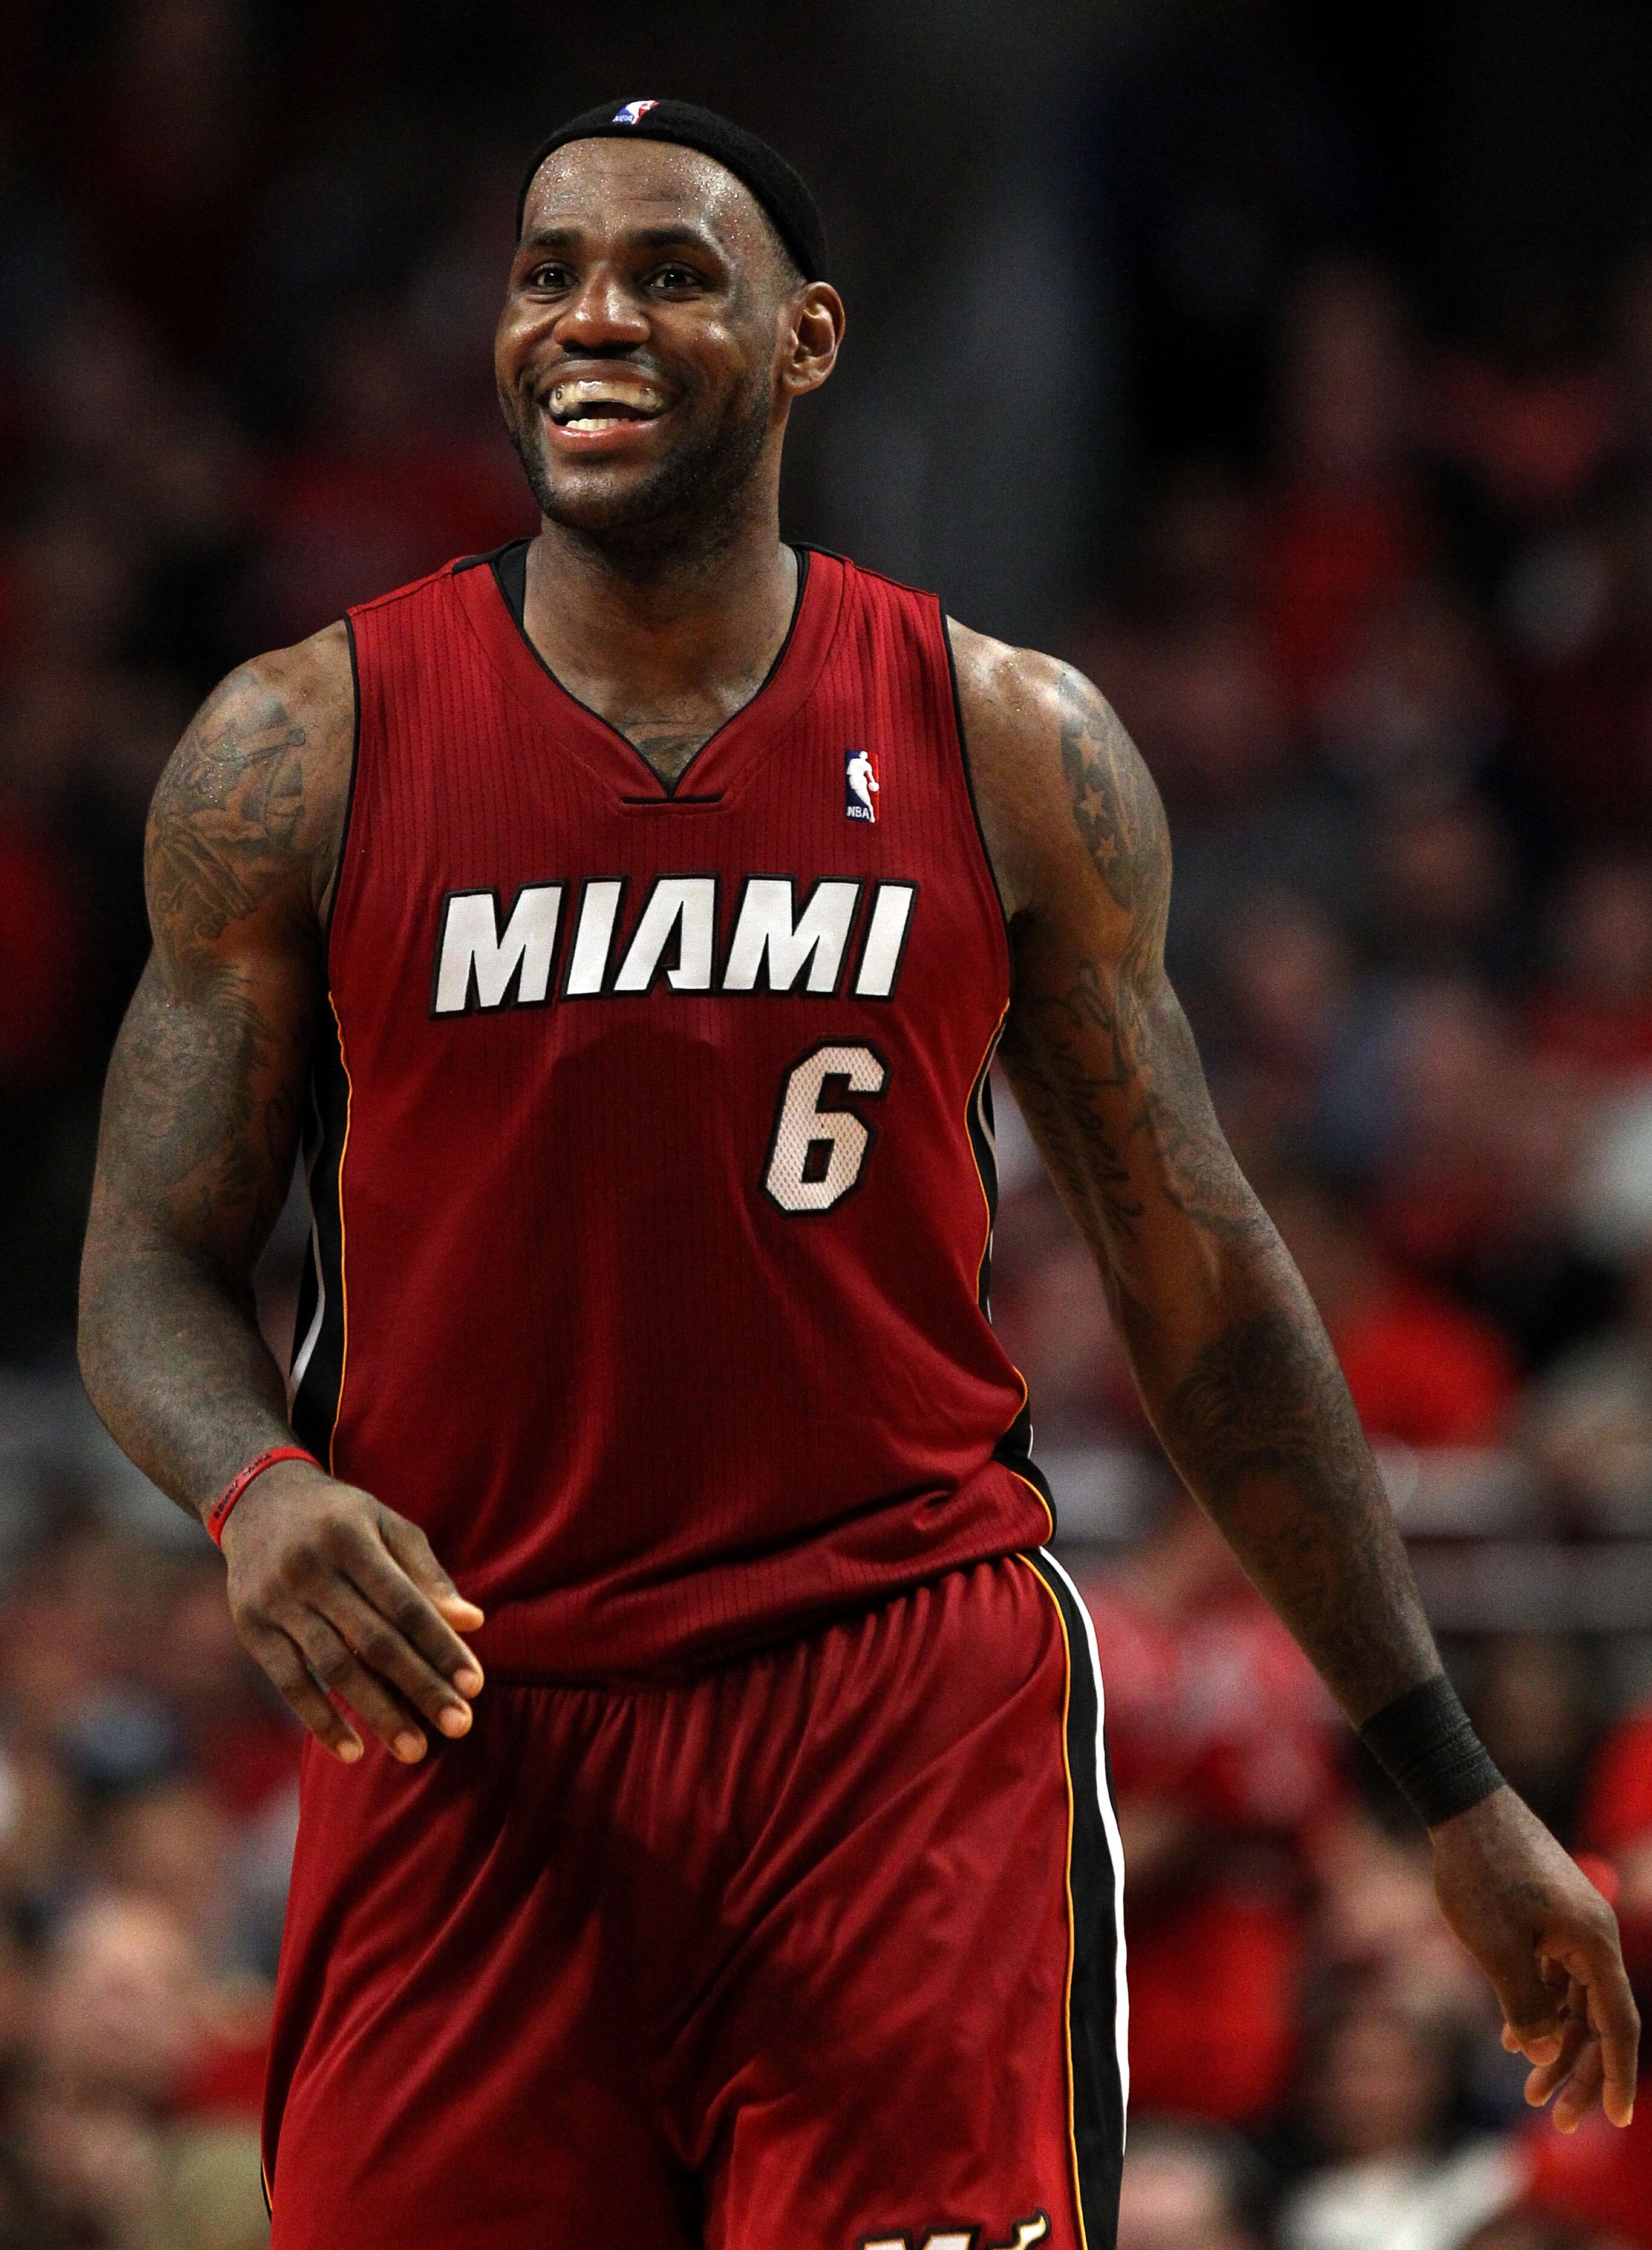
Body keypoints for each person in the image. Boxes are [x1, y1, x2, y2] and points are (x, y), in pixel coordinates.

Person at [76, 98, 1637, 2250]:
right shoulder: (298, 745)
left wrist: (1448, 1782)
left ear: (808, 339)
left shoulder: (1005, 738)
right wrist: (257, 1492)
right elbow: (146, 1265)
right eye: (546, 273)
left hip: (889, 1730)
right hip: (477, 1735)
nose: (589, 318)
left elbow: (1207, 1288)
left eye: (666, 272)